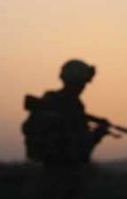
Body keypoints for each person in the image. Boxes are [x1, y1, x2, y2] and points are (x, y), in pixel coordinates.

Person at [22, 59, 109, 199]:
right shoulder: (70, 106)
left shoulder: (53, 101)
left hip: (49, 176)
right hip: (65, 178)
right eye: (83, 82)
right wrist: (97, 134)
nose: (84, 86)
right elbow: (79, 148)